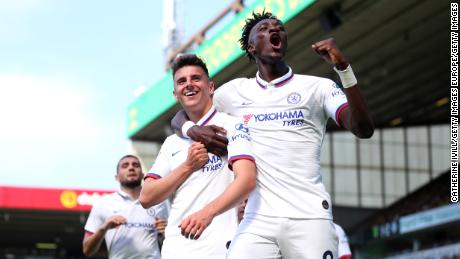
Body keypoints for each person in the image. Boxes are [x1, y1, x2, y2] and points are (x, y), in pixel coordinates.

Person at [172, 11, 374, 259]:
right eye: (264, 29)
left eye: (278, 28)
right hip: (258, 219)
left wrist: (344, 69)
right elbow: (183, 113)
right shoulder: (233, 92)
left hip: (308, 216)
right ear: (252, 47)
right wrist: (191, 129)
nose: (274, 30)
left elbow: (363, 129)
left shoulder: (317, 88)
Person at [139, 54, 257, 259]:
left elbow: (247, 180)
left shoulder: (233, 125)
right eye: (182, 81)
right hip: (176, 249)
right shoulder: (171, 143)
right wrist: (187, 166)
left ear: (210, 87)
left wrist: (207, 214)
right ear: (175, 94)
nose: (189, 84)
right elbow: (147, 197)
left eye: (196, 78)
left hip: (223, 248)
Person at [82, 155, 168, 259]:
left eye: (136, 165)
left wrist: (167, 233)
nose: (131, 168)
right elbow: (86, 250)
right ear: (116, 177)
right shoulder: (103, 203)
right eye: (125, 165)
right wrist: (104, 228)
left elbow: (172, 243)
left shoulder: (159, 202)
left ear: (142, 175)